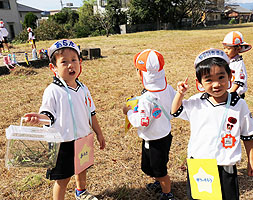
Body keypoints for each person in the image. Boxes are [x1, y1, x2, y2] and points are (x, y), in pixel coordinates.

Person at [23, 39, 105, 200]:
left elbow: (91, 113)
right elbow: (48, 115)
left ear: (80, 62)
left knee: (82, 167)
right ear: (53, 67)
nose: (70, 65)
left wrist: (99, 134)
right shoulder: (52, 91)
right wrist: (39, 118)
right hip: (62, 142)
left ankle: (81, 192)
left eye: (74, 60)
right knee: (62, 178)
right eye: (64, 62)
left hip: (82, 138)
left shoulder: (83, 89)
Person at [171, 49, 253, 200]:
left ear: (230, 76)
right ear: (199, 83)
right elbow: (175, 110)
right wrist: (180, 93)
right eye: (209, 80)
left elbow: (248, 135)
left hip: (226, 165)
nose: (216, 84)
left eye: (221, 77)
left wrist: (251, 161)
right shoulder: (197, 101)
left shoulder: (239, 104)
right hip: (200, 164)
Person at [122, 49, 176, 200]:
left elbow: (142, 122)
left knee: (160, 169)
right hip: (164, 134)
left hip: (154, 140)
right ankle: (159, 182)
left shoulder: (147, 98)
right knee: (151, 165)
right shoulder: (167, 88)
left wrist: (129, 112)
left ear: (141, 74)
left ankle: (167, 193)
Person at [222, 31, 252, 99]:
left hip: (235, 95)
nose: (225, 51)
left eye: (229, 48)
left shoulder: (239, 63)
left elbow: (239, 81)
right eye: (224, 48)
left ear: (238, 49)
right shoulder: (227, 61)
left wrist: (231, 93)